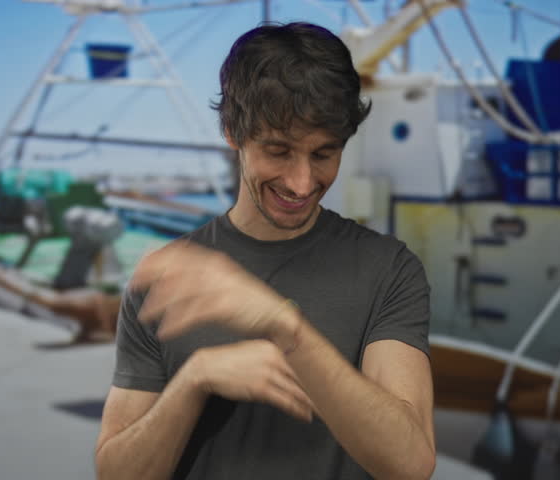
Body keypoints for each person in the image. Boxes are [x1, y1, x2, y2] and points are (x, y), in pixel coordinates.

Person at [95, 22, 435, 480]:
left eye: (323, 154)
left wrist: (286, 329)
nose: (301, 182)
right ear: (232, 131)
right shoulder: (166, 274)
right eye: (278, 151)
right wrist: (195, 380)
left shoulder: (390, 270)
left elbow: (410, 463)